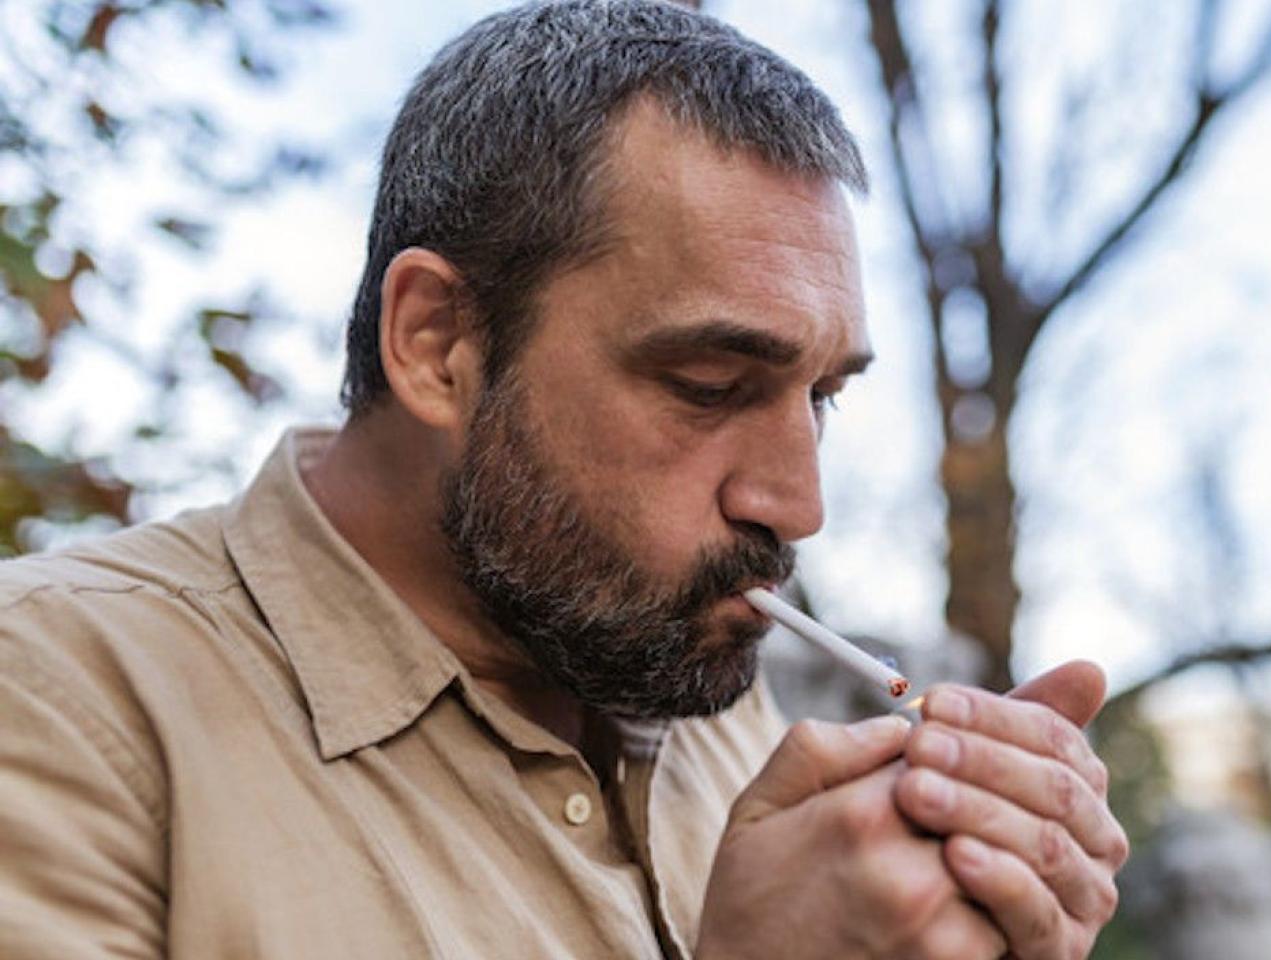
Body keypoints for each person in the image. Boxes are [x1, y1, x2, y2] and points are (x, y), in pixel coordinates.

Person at [0, 1, 1127, 957]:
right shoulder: (62, 703)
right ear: (438, 342)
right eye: (706, 383)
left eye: (821, 397)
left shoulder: (695, 683)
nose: (795, 505)